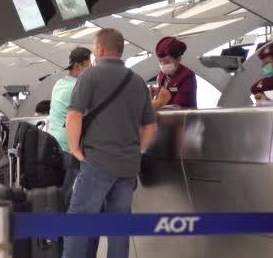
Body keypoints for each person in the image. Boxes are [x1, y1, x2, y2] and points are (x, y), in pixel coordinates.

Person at [63, 28, 157, 258]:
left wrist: (75, 148)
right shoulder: (136, 81)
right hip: (127, 167)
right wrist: (137, 149)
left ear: (99, 49)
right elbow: (150, 126)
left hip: (97, 162)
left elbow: (74, 115)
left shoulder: (90, 76)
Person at [48, 47, 92, 209]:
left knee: (64, 192)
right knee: (64, 193)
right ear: (78, 66)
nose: (91, 70)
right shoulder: (76, 89)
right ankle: (61, 231)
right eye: (89, 66)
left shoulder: (60, 84)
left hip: (55, 144)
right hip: (69, 147)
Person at [151, 36, 197, 110]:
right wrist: (154, 93)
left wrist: (159, 102)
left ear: (178, 59)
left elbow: (180, 106)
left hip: (183, 119)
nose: (163, 65)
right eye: (160, 61)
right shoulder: (162, 75)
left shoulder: (187, 76)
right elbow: (163, 93)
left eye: (167, 62)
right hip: (164, 118)